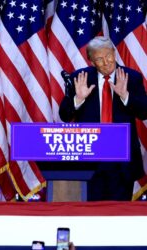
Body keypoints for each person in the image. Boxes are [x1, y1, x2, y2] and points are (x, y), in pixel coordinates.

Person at [59, 36, 147, 201]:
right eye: (100, 59)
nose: (106, 62)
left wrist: (125, 96)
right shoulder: (80, 78)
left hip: (122, 162)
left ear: (114, 53)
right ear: (91, 61)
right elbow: (64, 115)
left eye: (109, 56)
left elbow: (144, 112)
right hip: (90, 160)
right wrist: (78, 99)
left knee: (119, 214)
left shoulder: (131, 77)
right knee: (91, 214)